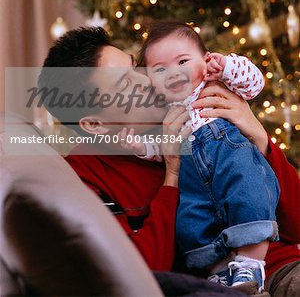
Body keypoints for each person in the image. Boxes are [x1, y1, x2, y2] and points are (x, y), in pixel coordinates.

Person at [39, 26, 300, 297]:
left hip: (280, 267)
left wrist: (259, 138)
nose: (147, 80)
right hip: (216, 283)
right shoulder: (84, 176)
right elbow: (136, 276)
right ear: (94, 123)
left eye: (136, 66)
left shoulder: (201, 109)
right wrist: (171, 177)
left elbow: (296, 226)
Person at [136, 21, 280, 293]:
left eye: (183, 61)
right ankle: (219, 272)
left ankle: (250, 263)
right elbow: (163, 147)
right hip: (193, 181)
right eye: (160, 69)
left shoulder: (217, 84)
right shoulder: (166, 115)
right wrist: (144, 148)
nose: (174, 73)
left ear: (206, 59)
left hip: (231, 161)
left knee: (249, 195)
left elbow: (254, 83)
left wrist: (227, 66)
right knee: (191, 218)